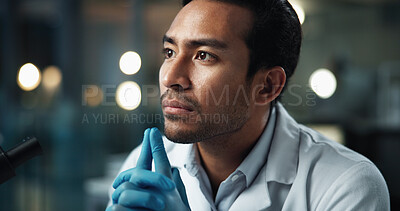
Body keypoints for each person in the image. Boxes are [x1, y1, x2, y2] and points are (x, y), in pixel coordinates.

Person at [106, 0, 390, 210]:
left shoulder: (347, 185)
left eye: (204, 56)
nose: (170, 77)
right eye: (170, 51)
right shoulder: (143, 168)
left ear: (267, 86)